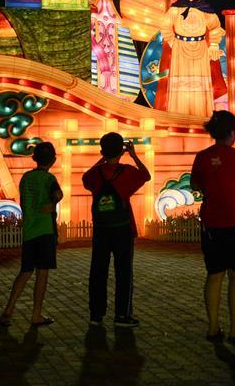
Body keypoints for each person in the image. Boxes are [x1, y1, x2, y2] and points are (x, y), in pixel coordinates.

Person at [190, 110, 235, 343]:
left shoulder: (201, 157)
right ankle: (234, 330)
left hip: (212, 224)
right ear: (232, 133)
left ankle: (212, 328)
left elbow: (195, 184)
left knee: (214, 275)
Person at [82, 132, 150, 328]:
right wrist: (134, 155)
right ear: (122, 150)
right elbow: (146, 175)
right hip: (122, 229)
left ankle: (96, 314)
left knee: (98, 271)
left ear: (102, 151)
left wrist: (102, 158)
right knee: (124, 272)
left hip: (101, 229)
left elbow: (86, 178)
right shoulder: (128, 172)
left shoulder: (95, 174)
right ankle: (122, 315)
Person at [0, 142, 63, 328]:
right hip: (45, 231)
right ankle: (36, 315)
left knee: (25, 272)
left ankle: (8, 311)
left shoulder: (26, 178)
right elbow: (58, 194)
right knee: (42, 273)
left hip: (29, 232)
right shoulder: (49, 179)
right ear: (53, 160)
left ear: (34, 158)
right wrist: (53, 202)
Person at [155, 0, 227, 116]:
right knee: (181, 86)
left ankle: (201, 116)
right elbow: (165, 26)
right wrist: (172, 41)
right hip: (180, 49)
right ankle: (179, 116)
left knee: (199, 85)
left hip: (200, 48)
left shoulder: (204, 8)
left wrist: (213, 45)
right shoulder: (176, 8)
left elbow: (215, 27)